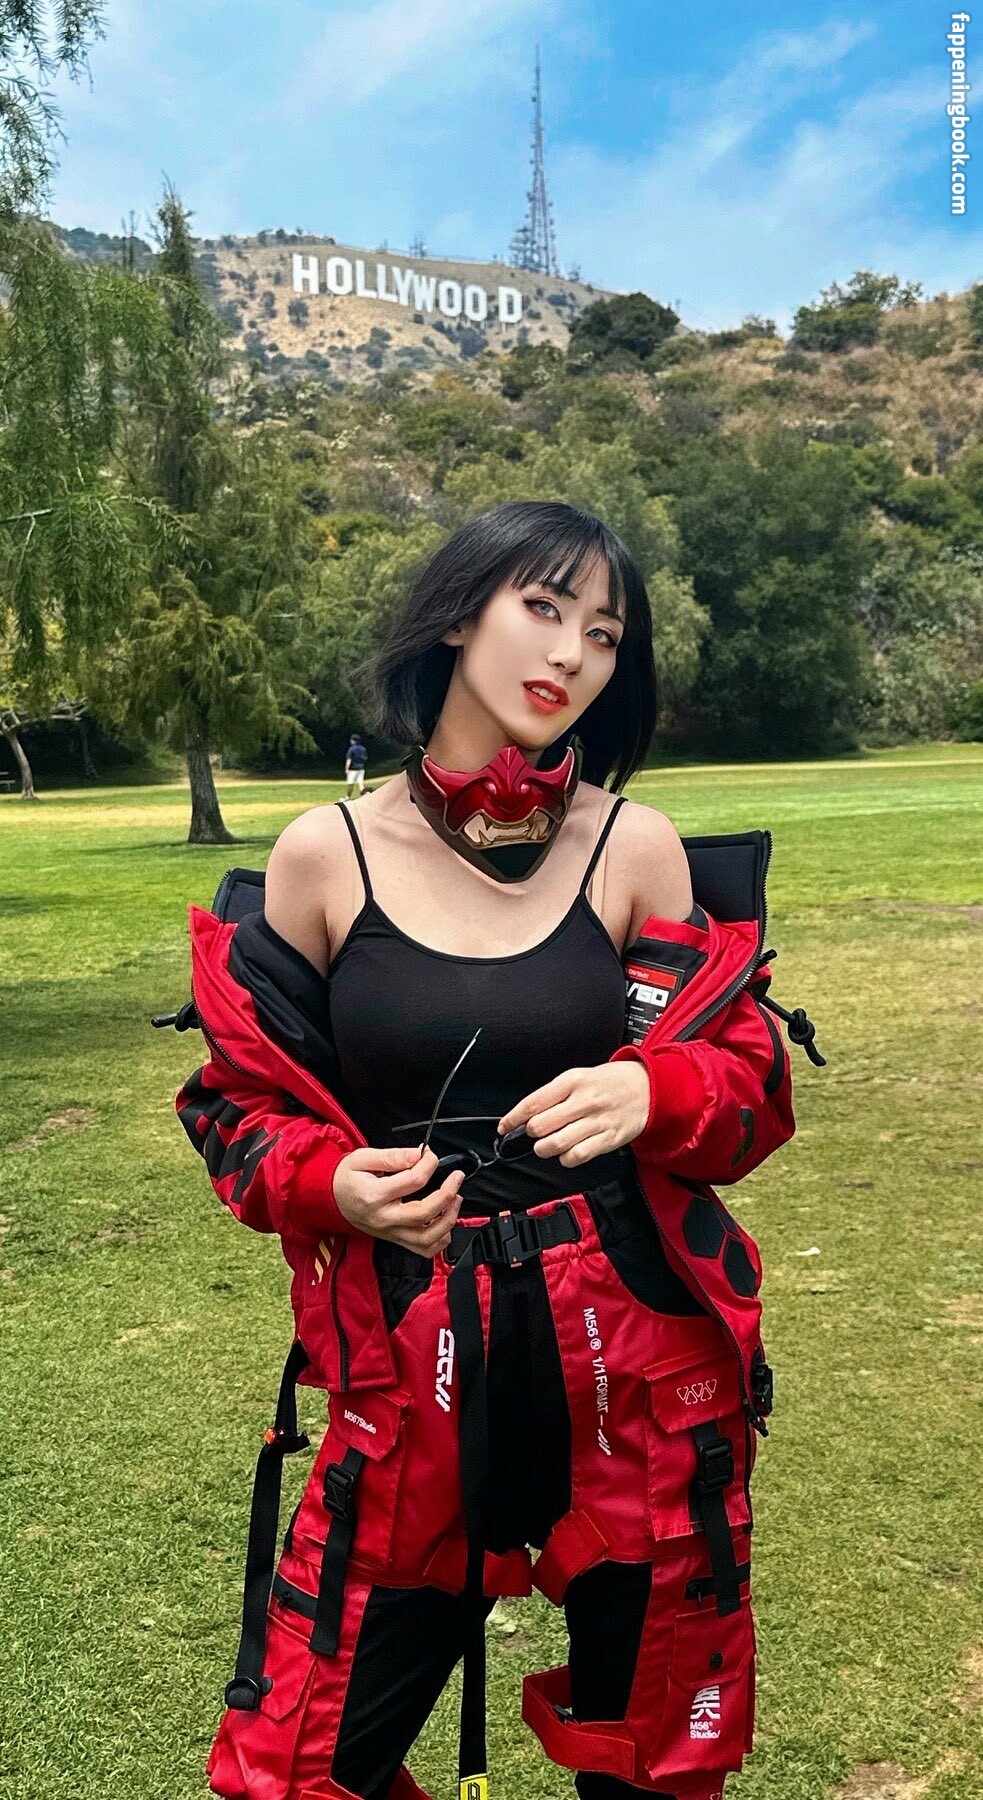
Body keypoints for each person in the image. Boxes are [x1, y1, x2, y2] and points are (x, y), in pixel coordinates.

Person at [175, 500, 796, 1800]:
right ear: (460, 615)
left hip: (631, 1365)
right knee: (299, 1770)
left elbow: (748, 1090)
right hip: (411, 1363)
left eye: (605, 634)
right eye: (544, 608)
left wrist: (654, 1089)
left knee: (656, 1763)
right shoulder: (323, 855)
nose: (572, 653)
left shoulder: (635, 846)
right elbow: (235, 1111)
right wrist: (329, 1182)